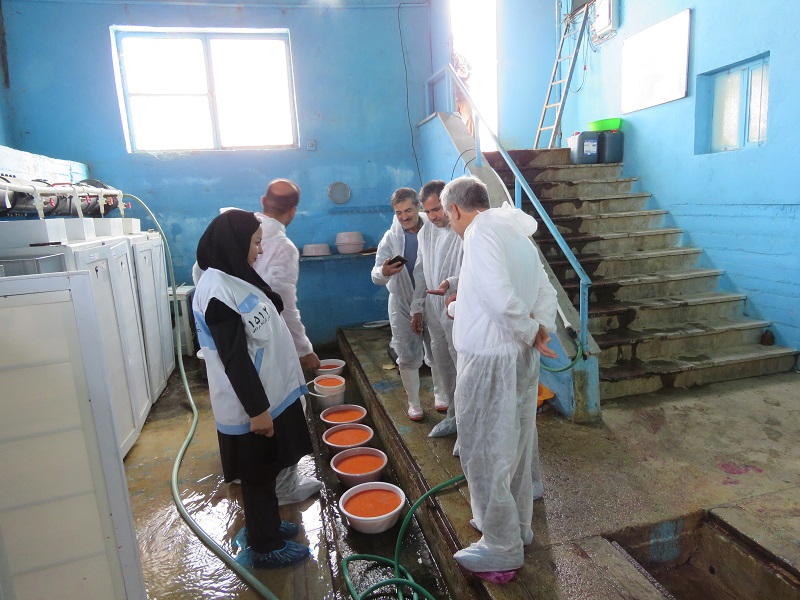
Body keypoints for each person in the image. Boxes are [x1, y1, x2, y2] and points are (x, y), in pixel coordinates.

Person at [441, 176, 558, 577]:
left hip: (490, 362)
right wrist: (538, 329)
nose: (451, 224)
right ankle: (517, 527)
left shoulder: (479, 233)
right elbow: (543, 292)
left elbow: (497, 295)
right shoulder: (515, 232)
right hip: (521, 357)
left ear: (455, 209)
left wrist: (528, 329)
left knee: (486, 449)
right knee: (517, 448)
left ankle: (500, 544)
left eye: (447, 217)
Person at [192, 209, 312, 569]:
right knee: (258, 476)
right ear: (234, 243)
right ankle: (264, 545)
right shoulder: (217, 293)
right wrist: (257, 411)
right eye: (256, 242)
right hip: (249, 403)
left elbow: (267, 308)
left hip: (267, 392)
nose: (260, 250)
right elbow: (234, 359)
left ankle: (268, 525)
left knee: (267, 468)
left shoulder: (232, 276)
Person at [254, 178, 323, 505]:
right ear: (293, 211)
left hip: (233, 339)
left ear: (262, 200)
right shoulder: (282, 246)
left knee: (252, 407)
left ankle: (250, 473)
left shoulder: (235, 228)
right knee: (288, 407)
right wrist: (305, 350)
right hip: (268, 340)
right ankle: (284, 487)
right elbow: (284, 306)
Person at [371, 187, 430, 421]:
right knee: (406, 352)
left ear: (418, 206)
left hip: (431, 299)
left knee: (439, 349)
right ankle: (414, 403)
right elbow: (375, 274)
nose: (404, 217)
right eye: (399, 212)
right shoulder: (391, 237)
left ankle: (442, 395)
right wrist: (384, 272)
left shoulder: (434, 230)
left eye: (408, 210)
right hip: (401, 302)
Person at [410, 180, 463, 438]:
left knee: (462, 365)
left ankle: (468, 424)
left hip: (458, 307)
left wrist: (454, 284)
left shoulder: (463, 230)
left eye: (437, 209)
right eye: (428, 211)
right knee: (443, 366)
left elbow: (475, 271)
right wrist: (417, 307)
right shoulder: (425, 234)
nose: (433, 217)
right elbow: (421, 272)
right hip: (433, 308)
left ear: (449, 204)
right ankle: (453, 416)